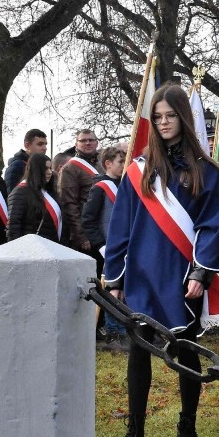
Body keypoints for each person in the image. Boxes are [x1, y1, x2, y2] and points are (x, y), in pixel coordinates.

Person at [103, 84, 219, 437]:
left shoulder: (207, 172)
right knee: (138, 353)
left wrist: (201, 272)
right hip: (142, 275)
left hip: (182, 277)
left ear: (183, 117)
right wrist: (114, 277)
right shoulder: (137, 171)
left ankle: (187, 430)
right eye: (158, 117)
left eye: (170, 115)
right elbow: (121, 228)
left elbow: (213, 225)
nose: (163, 122)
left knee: (185, 351)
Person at [82, 144, 129, 351]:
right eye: (120, 162)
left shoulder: (124, 185)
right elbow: (88, 220)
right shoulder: (100, 188)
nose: (124, 165)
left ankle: (124, 329)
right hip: (108, 247)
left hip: (125, 247)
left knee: (124, 290)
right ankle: (113, 333)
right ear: (108, 164)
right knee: (112, 290)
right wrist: (100, 245)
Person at [59, 129, 105, 256]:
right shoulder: (70, 169)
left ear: (97, 142)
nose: (88, 143)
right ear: (76, 144)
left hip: (104, 228)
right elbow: (69, 205)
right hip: (87, 232)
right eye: (83, 141)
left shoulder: (103, 165)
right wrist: (81, 236)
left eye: (91, 140)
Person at [6, 153, 63, 244]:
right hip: (30, 248)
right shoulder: (20, 192)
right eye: (45, 169)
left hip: (50, 246)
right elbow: (14, 226)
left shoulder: (48, 192)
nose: (49, 172)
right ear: (36, 170)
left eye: (50, 168)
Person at [4, 129, 48, 193]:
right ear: (27, 145)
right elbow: (12, 196)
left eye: (45, 144)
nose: (45, 148)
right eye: (40, 144)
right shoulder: (17, 167)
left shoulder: (44, 167)